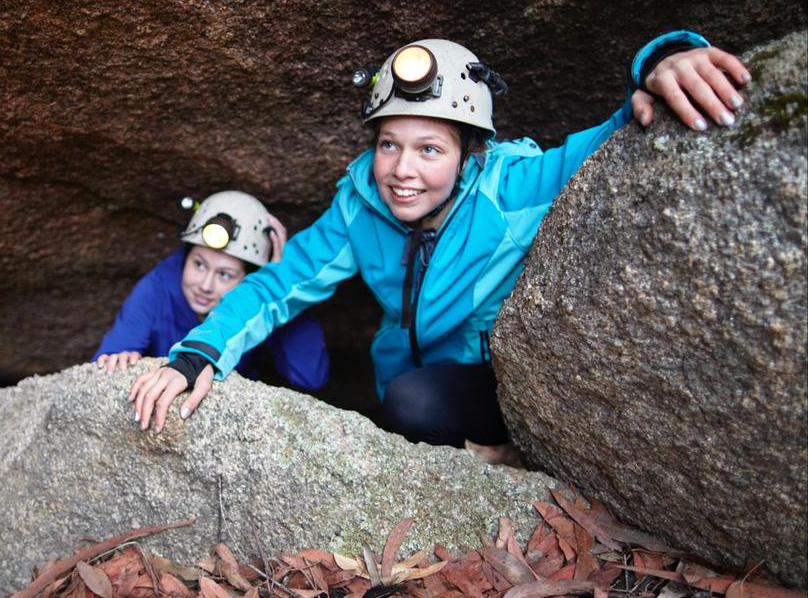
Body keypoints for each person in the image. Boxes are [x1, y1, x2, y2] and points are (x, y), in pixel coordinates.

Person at [128, 31, 749, 439]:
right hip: (401, 390)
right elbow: (275, 288)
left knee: (412, 403)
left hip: (496, 390)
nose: (402, 170)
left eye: (430, 148)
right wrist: (197, 353)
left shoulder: (508, 189)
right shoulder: (358, 207)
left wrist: (663, 60)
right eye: (389, 144)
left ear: (468, 152)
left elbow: (615, 126)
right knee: (400, 405)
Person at [94, 190, 329, 393]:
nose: (205, 285)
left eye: (224, 274)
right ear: (186, 256)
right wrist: (119, 359)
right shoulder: (159, 286)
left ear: (252, 281)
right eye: (199, 264)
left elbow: (310, 377)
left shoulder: (258, 301)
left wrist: (280, 287)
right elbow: (110, 356)